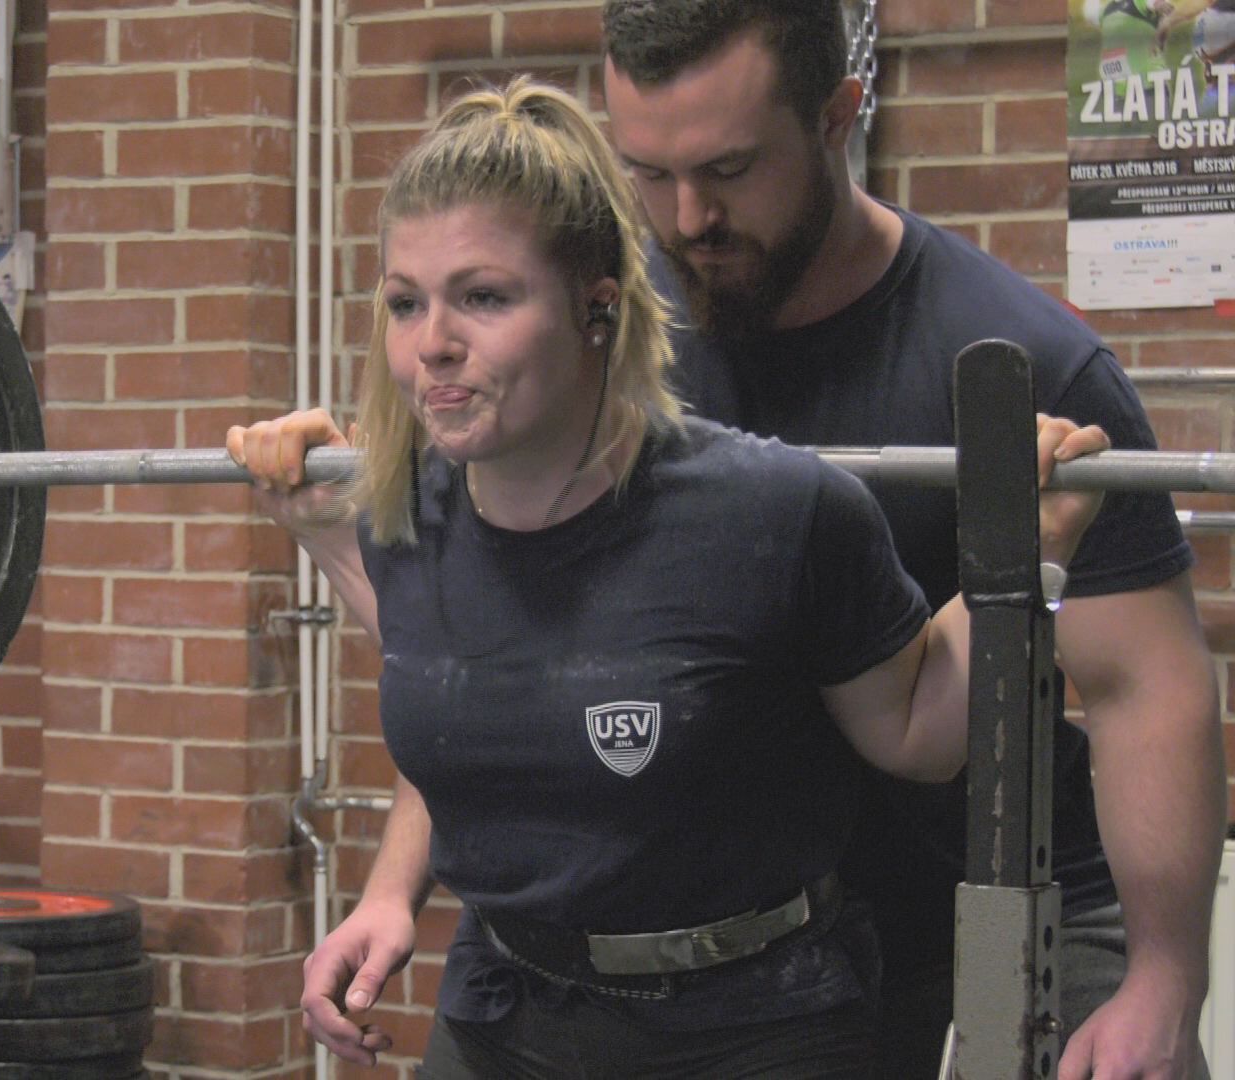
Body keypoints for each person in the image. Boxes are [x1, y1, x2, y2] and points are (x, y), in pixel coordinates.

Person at [227, 77, 1110, 1077]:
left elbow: (917, 732)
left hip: (753, 1025)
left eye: (483, 296)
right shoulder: (402, 513)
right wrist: (388, 896)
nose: (433, 342)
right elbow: (470, 684)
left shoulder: (772, 513)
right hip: (506, 1011)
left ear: (596, 307)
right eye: (405, 302)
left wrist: (1029, 555)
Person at [597, 2, 1227, 1076]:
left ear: (839, 115)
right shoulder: (615, 358)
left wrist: (1166, 983)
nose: (688, 215)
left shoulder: (1028, 366)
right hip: (765, 909)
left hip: (1010, 871)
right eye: (649, 175)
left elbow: (1142, 690)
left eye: (732, 169)